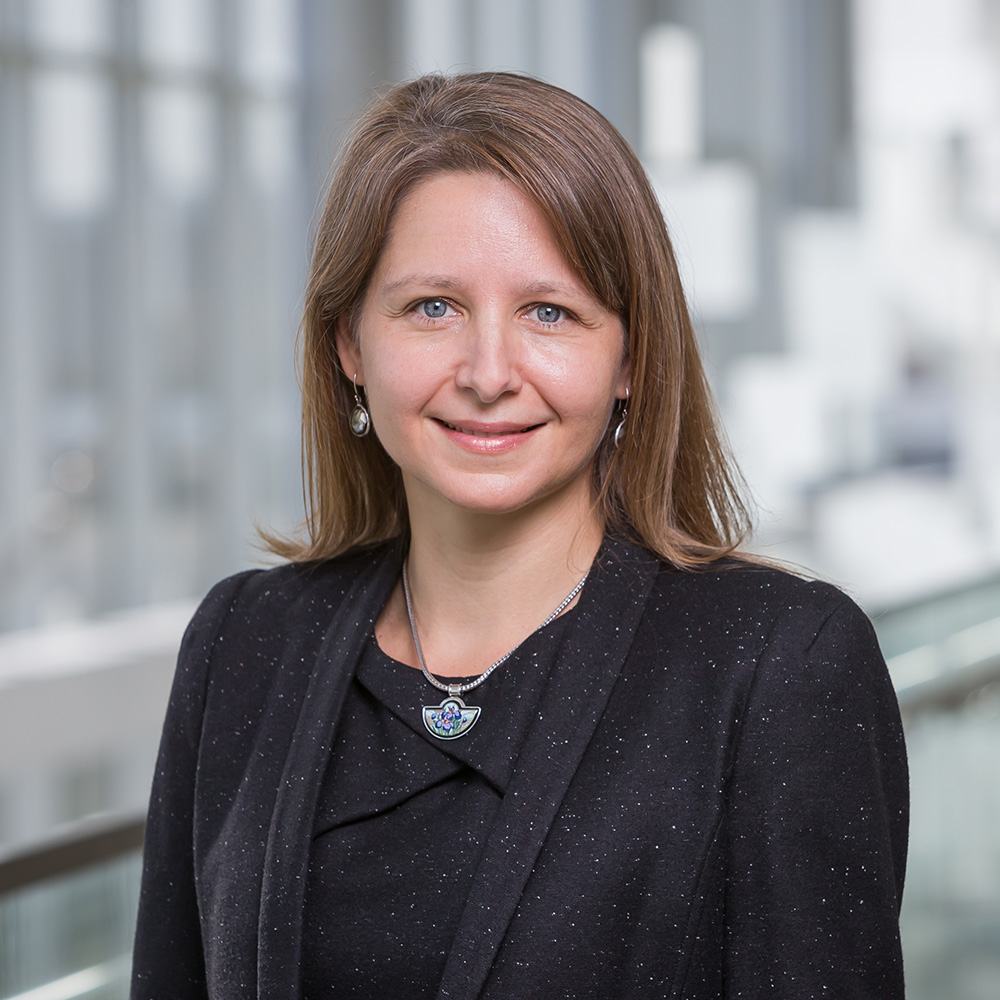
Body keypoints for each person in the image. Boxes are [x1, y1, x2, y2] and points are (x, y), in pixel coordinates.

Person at [130, 72, 908, 999]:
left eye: (550, 312)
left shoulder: (779, 664)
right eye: (433, 307)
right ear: (349, 345)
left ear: (631, 357)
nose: (489, 372)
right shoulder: (243, 643)